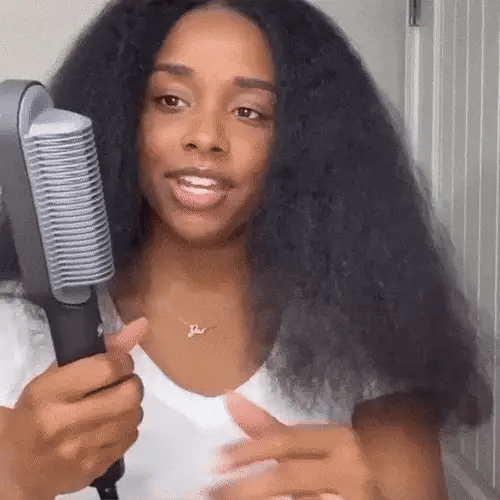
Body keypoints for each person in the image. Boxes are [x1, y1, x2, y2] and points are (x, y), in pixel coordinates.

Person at [0, 0, 493, 499]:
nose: (205, 138)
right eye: (170, 100)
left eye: (249, 112)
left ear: (304, 140)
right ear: (121, 113)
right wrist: (14, 478)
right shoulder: (15, 327)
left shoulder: (370, 346)